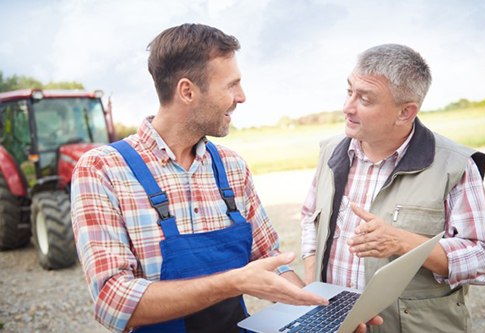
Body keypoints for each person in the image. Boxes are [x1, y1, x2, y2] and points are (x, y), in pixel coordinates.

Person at [71, 24, 380, 333]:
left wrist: (321, 312)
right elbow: (111, 301)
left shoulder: (231, 166)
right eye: (232, 85)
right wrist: (232, 282)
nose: (242, 97)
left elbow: (270, 258)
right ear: (187, 91)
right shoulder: (103, 170)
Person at [301, 43, 485, 332]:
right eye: (349, 91)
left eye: (365, 100)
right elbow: (310, 217)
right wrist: (312, 285)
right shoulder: (330, 152)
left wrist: (403, 243)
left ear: (405, 112)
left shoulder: (455, 165)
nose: (347, 107)